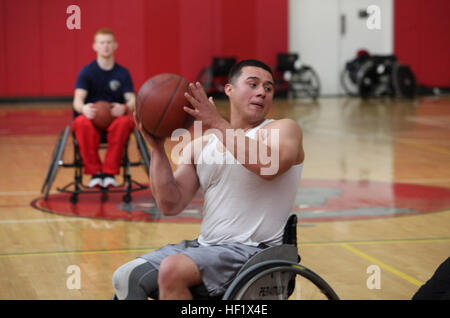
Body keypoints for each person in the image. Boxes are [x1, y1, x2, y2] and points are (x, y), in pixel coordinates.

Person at [112, 59, 305, 300]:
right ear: (229, 90)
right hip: (206, 249)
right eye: (253, 84)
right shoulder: (202, 145)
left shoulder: (282, 130)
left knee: (173, 270)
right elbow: (170, 204)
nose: (261, 92)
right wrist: (157, 149)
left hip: (255, 253)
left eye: (268, 88)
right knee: (126, 276)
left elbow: (268, 166)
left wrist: (216, 123)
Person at [72, 28, 136, 188]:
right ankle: (95, 173)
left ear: (115, 45)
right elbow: (77, 101)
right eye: (102, 42)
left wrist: (125, 107)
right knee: (80, 123)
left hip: (114, 118)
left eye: (108, 42)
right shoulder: (87, 72)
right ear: (95, 46)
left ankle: (109, 173)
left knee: (125, 122)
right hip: (92, 118)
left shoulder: (122, 73)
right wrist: (84, 108)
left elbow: (133, 99)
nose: (105, 46)